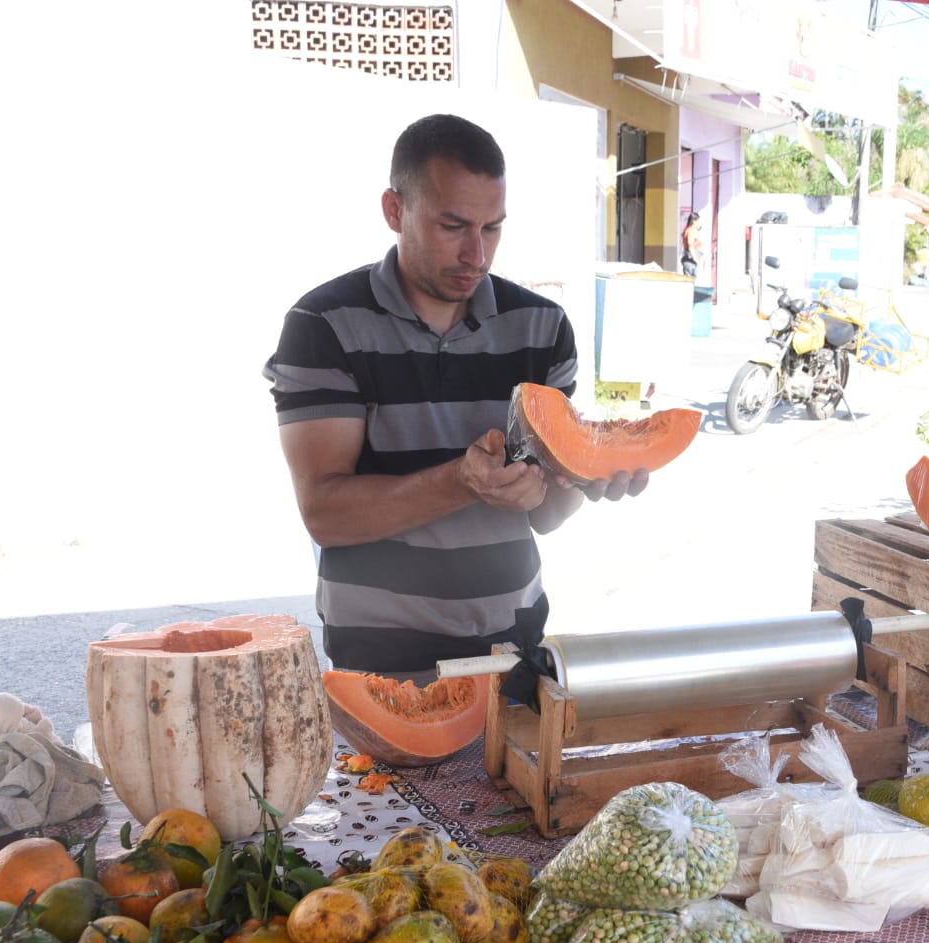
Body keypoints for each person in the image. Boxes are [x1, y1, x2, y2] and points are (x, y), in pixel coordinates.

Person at [262, 113, 648, 677]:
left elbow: (544, 514)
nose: (477, 253)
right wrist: (461, 481)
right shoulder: (324, 325)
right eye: (453, 226)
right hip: (382, 661)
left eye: (492, 227)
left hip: (512, 647)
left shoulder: (541, 329)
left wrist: (586, 476)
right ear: (395, 211)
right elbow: (325, 515)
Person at [680, 211, 703, 277]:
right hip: (691, 260)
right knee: (690, 282)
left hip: (692, 260)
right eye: (698, 221)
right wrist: (695, 258)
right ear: (694, 221)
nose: (699, 223)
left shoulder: (691, 230)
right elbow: (690, 245)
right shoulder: (691, 230)